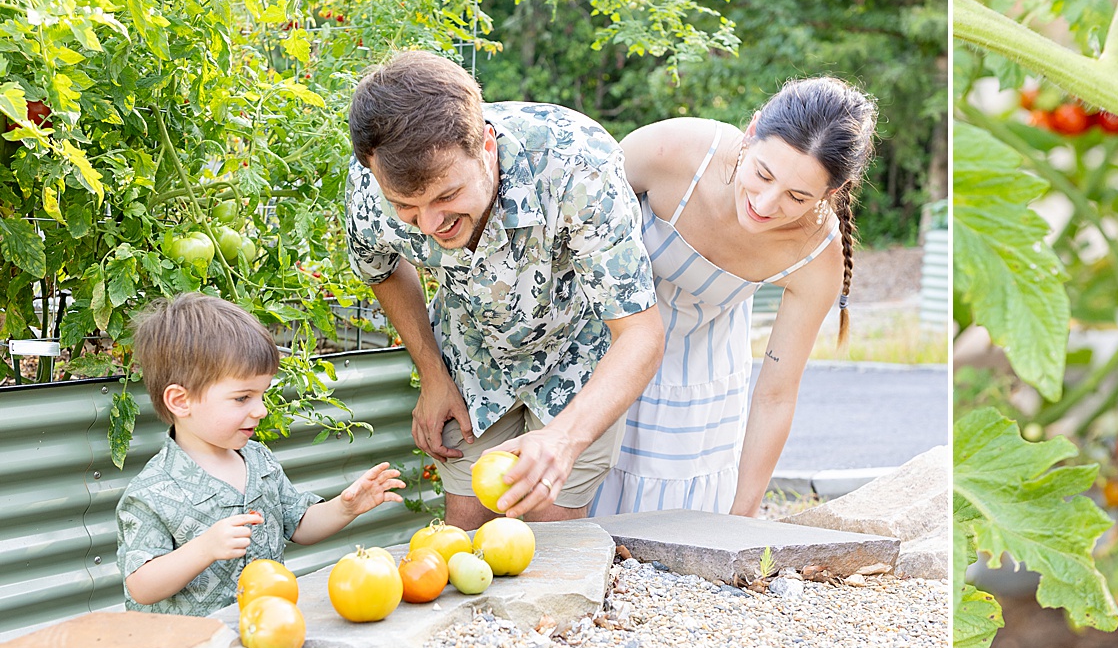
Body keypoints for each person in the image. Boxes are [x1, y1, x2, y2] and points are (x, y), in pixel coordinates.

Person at [345, 50, 664, 528]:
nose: (431, 224)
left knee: (549, 542)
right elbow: (381, 269)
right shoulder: (370, 189)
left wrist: (563, 441)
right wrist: (432, 374)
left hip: (574, 357)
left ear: (487, 148)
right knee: (463, 533)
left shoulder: (580, 164)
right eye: (407, 208)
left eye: (447, 196)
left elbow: (642, 333)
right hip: (469, 357)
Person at [592, 75, 877, 517]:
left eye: (797, 197)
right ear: (752, 130)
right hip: (600, 344)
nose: (764, 204)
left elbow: (776, 395)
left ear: (830, 193)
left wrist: (741, 518)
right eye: (763, 173)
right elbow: (574, 223)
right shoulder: (672, 150)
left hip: (695, 386)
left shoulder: (816, 254)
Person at [116, 293, 406, 615]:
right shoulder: (153, 492)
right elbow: (141, 586)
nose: (262, 410)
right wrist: (204, 549)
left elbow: (297, 524)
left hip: (267, 629)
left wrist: (345, 507)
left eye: (262, 394)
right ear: (181, 401)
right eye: (242, 398)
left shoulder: (257, 460)